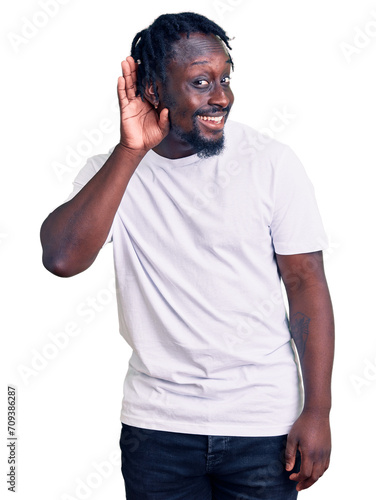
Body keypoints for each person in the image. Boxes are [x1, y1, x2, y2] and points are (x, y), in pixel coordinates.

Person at [40, 12, 334, 500]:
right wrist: (131, 152)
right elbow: (62, 258)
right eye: (201, 82)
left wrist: (318, 410)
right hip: (157, 426)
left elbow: (306, 283)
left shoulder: (270, 162)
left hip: (263, 423)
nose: (222, 97)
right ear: (154, 90)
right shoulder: (110, 173)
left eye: (225, 78)